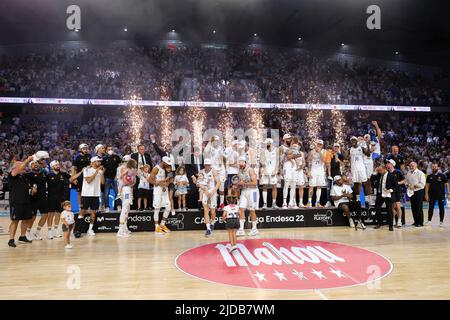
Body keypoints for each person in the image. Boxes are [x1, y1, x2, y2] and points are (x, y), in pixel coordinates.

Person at [74, 156, 105, 238]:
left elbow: (102, 182)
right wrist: (96, 172)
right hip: (86, 194)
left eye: (100, 161)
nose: (100, 163)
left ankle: (90, 229)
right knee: (82, 212)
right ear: (93, 162)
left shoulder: (100, 171)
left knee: (93, 213)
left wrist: (101, 173)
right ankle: (77, 230)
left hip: (96, 195)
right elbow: (88, 180)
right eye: (98, 161)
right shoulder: (86, 170)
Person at [8, 157, 34, 247]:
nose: (24, 166)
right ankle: (11, 239)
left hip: (26, 201)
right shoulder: (12, 174)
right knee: (15, 220)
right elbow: (18, 168)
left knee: (26, 219)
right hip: (16, 202)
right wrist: (27, 160)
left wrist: (32, 190)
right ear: (16, 167)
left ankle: (22, 237)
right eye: (21, 165)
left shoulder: (24, 177)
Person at [192, 158, 220, 237]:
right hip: (205, 192)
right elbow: (198, 183)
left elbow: (218, 183)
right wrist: (202, 187)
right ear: (204, 165)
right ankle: (208, 228)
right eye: (206, 165)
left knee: (213, 212)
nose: (207, 166)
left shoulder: (214, 171)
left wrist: (213, 191)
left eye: (208, 165)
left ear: (210, 165)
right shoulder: (201, 172)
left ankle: (213, 223)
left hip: (212, 192)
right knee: (206, 211)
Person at [47, 160, 71, 238]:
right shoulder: (49, 175)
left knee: (58, 214)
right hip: (51, 197)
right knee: (51, 214)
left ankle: (56, 230)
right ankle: (49, 231)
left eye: (58, 164)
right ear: (52, 167)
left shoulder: (63, 174)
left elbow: (71, 178)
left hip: (61, 198)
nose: (58, 166)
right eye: (56, 165)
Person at [149, 156, 173, 235]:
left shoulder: (167, 169)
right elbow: (150, 180)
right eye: (167, 163)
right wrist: (159, 183)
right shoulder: (156, 168)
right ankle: (156, 227)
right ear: (163, 162)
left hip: (165, 190)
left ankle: (162, 224)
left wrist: (167, 183)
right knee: (157, 208)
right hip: (158, 190)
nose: (168, 165)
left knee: (168, 207)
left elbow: (170, 180)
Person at [26, 159, 50, 240]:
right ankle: (27, 232)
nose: (35, 164)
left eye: (36, 163)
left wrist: (43, 162)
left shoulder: (44, 173)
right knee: (33, 217)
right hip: (33, 198)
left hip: (43, 198)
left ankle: (37, 232)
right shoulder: (28, 175)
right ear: (30, 166)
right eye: (33, 164)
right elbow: (24, 185)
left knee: (45, 215)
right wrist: (30, 189)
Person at [236, 156, 259, 237]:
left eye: (242, 162)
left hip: (253, 192)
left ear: (245, 162)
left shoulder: (250, 170)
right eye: (239, 162)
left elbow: (255, 183)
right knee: (240, 209)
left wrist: (243, 184)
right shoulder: (239, 171)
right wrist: (237, 186)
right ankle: (241, 229)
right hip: (244, 191)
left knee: (252, 210)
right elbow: (240, 183)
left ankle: (254, 229)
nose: (240, 164)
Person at [204, 135, 226, 209]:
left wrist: (225, 170)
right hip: (213, 169)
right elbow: (205, 151)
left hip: (221, 169)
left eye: (217, 140)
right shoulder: (210, 147)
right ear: (212, 141)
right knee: (213, 186)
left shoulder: (220, 148)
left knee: (221, 186)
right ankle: (214, 204)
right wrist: (210, 141)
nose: (216, 142)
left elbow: (224, 158)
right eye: (215, 140)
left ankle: (222, 203)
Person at [117, 159, 137, 237]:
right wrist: (131, 182)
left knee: (127, 209)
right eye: (135, 164)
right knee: (124, 209)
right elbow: (126, 181)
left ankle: (124, 228)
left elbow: (132, 181)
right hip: (126, 190)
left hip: (128, 189)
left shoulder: (130, 171)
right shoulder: (126, 170)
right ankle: (120, 230)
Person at [374, 165, 398, 231]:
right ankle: (379, 223)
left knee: (389, 210)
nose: (379, 172)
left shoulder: (391, 176)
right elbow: (372, 179)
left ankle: (391, 225)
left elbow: (396, 186)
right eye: (378, 170)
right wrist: (374, 172)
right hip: (380, 194)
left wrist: (390, 190)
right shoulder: (379, 175)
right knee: (377, 208)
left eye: (380, 170)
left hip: (388, 194)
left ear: (385, 169)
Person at [348, 136, 369, 205]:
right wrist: (342, 149)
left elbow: (368, 154)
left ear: (357, 141)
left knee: (364, 183)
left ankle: (366, 199)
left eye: (354, 140)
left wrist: (367, 145)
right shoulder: (350, 149)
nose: (353, 141)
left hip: (361, 168)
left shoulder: (361, 148)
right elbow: (345, 157)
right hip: (354, 169)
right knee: (356, 184)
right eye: (352, 140)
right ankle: (358, 200)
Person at [385, 159, 405, 228]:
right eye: (387, 163)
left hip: (397, 191)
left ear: (392, 164)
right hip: (390, 192)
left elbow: (404, 180)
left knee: (398, 206)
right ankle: (393, 220)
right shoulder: (386, 173)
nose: (387, 164)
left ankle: (399, 221)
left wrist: (397, 183)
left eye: (389, 163)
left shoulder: (398, 172)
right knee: (391, 207)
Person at [405, 161, 426, 227]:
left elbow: (422, 184)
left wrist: (414, 186)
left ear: (416, 166)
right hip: (411, 192)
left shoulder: (420, 173)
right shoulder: (408, 173)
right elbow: (406, 181)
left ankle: (420, 222)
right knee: (413, 207)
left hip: (419, 191)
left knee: (419, 207)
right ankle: (416, 221)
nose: (411, 167)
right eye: (410, 165)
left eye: (412, 166)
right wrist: (408, 185)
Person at [260, 138, 279, 209]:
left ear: (270, 143)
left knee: (274, 186)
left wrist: (276, 170)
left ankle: (274, 203)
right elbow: (262, 161)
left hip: (273, 170)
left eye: (267, 143)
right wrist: (264, 170)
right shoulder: (263, 150)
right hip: (266, 170)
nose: (265, 144)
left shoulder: (276, 150)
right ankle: (265, 203)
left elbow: (277, 161)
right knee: (265, 186)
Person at [307, 140, 327, 207]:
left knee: (319, 186)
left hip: (320, 171)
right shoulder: (312, 151)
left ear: (322, 145)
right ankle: (309, 202)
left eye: (320, 144)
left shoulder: (324, 151)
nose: (319, 145)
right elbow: (309, 161)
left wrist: (319, 152)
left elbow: (323, 160)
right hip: (313, 170)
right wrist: (309, 171)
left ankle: (317, 202)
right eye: (318, 144)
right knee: (311, 186)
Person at [72, 144, 91, 211]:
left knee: (88, 192)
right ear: (80, 149)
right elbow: (73, 168)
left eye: (86, 148)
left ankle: (87, 206)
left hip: (88, 177)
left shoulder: (89, 156)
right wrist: (73, 178)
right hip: (80, 177)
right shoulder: (76, 157)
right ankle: (80, 206)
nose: (86, 150)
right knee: (79, 192)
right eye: (84, 148)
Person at [103, 146, 121, 212]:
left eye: (111, 149)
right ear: (106, 151)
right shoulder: (104, 159)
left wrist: (117, 176)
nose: (110, 150)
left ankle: (119, 206)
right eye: (108, 149)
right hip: (107, 178)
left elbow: (119, 167)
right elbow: (103, 169)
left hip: (115, 178)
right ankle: (107, 207)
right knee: (106, 193)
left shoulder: (117, 157)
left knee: (117, 193)